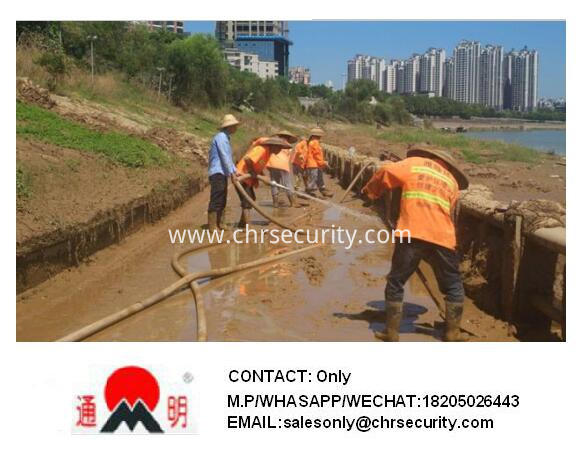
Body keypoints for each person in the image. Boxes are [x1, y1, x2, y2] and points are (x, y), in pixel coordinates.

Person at [362, 146, 470, 342]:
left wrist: (371, 192)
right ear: (448, 166)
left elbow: (386, 171)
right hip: (443, 236)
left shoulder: (415, 164)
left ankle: (392, 332)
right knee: (453, 284)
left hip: (412, 231)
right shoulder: (451, 182)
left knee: (396, 281)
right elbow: (444, 209)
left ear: (429, 156)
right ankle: (452, 332)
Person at [234, 137, 292, 228]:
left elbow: (257, 166)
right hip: (241, 177)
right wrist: (252, 172)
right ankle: (247, 226)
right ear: (274, 146)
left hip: (247, 179)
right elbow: (247, 158)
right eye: (279, 147)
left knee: (251, 199)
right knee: (248, 200)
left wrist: (263, 176)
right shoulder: (261, 150)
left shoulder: (268, 154)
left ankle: (242, 224)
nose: (280, 150)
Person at [206, 114, 240, 232]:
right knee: (217, 197)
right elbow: (225, 156)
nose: (236, 128)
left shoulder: (225, 138)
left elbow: (228, 158)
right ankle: (212, 226)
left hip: (222, 172)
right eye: (235, 126)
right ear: (229, 127)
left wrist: (235, 171)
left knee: (223, 197)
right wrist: (232, 173)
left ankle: (221, 223)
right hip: (217, 172)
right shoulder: (221, 137)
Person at [267, 130, 304, 208]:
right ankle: (293, 202)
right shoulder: (287, 145)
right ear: (289, 138)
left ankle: (275, 202)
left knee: (274, 183)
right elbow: (288, 157)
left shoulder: (274, 143)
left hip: (272, 164)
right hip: (282, 165)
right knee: (287, 183)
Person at [304, 127, 333, 198]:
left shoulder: (312, 142)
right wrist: (323, 163)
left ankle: (323, 191)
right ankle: (308, 191)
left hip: (315, 164)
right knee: (314, 178)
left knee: (319, 177)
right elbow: (317, 155)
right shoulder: (315, 143)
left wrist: (322, 162)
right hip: (313, 164)